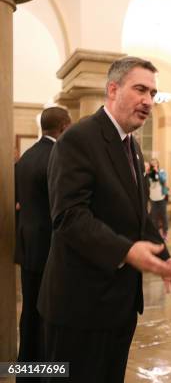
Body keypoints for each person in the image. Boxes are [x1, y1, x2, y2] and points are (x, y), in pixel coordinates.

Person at [38, 56, 171, 382]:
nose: (148, 101)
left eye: (152, 92)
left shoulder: (131, 146)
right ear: (112, 89)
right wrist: (126, 251)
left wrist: (164, 257)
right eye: (140, 90)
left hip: (118, 305)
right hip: (80, 307)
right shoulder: (79, 139)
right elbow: (69, 217)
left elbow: (138, 216)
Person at [14, 107, 70, 369]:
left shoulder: (26, 156)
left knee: (29, 312)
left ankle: (25, 369)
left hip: (28, 244)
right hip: (49, 246)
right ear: (64, 127)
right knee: (48, 313)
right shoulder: (57, 157)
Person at [147, 158, 169, 239]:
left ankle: (165, 232)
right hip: (153, 198)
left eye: (155, 163)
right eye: (152, 164)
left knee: (164, 216)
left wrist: (157, 172)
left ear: (158, 164)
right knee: (154, 216)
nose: (153, 165)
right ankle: (156, 234)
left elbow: (163, 180)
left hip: (162, 197)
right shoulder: (148, 174)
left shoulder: (162, 171)